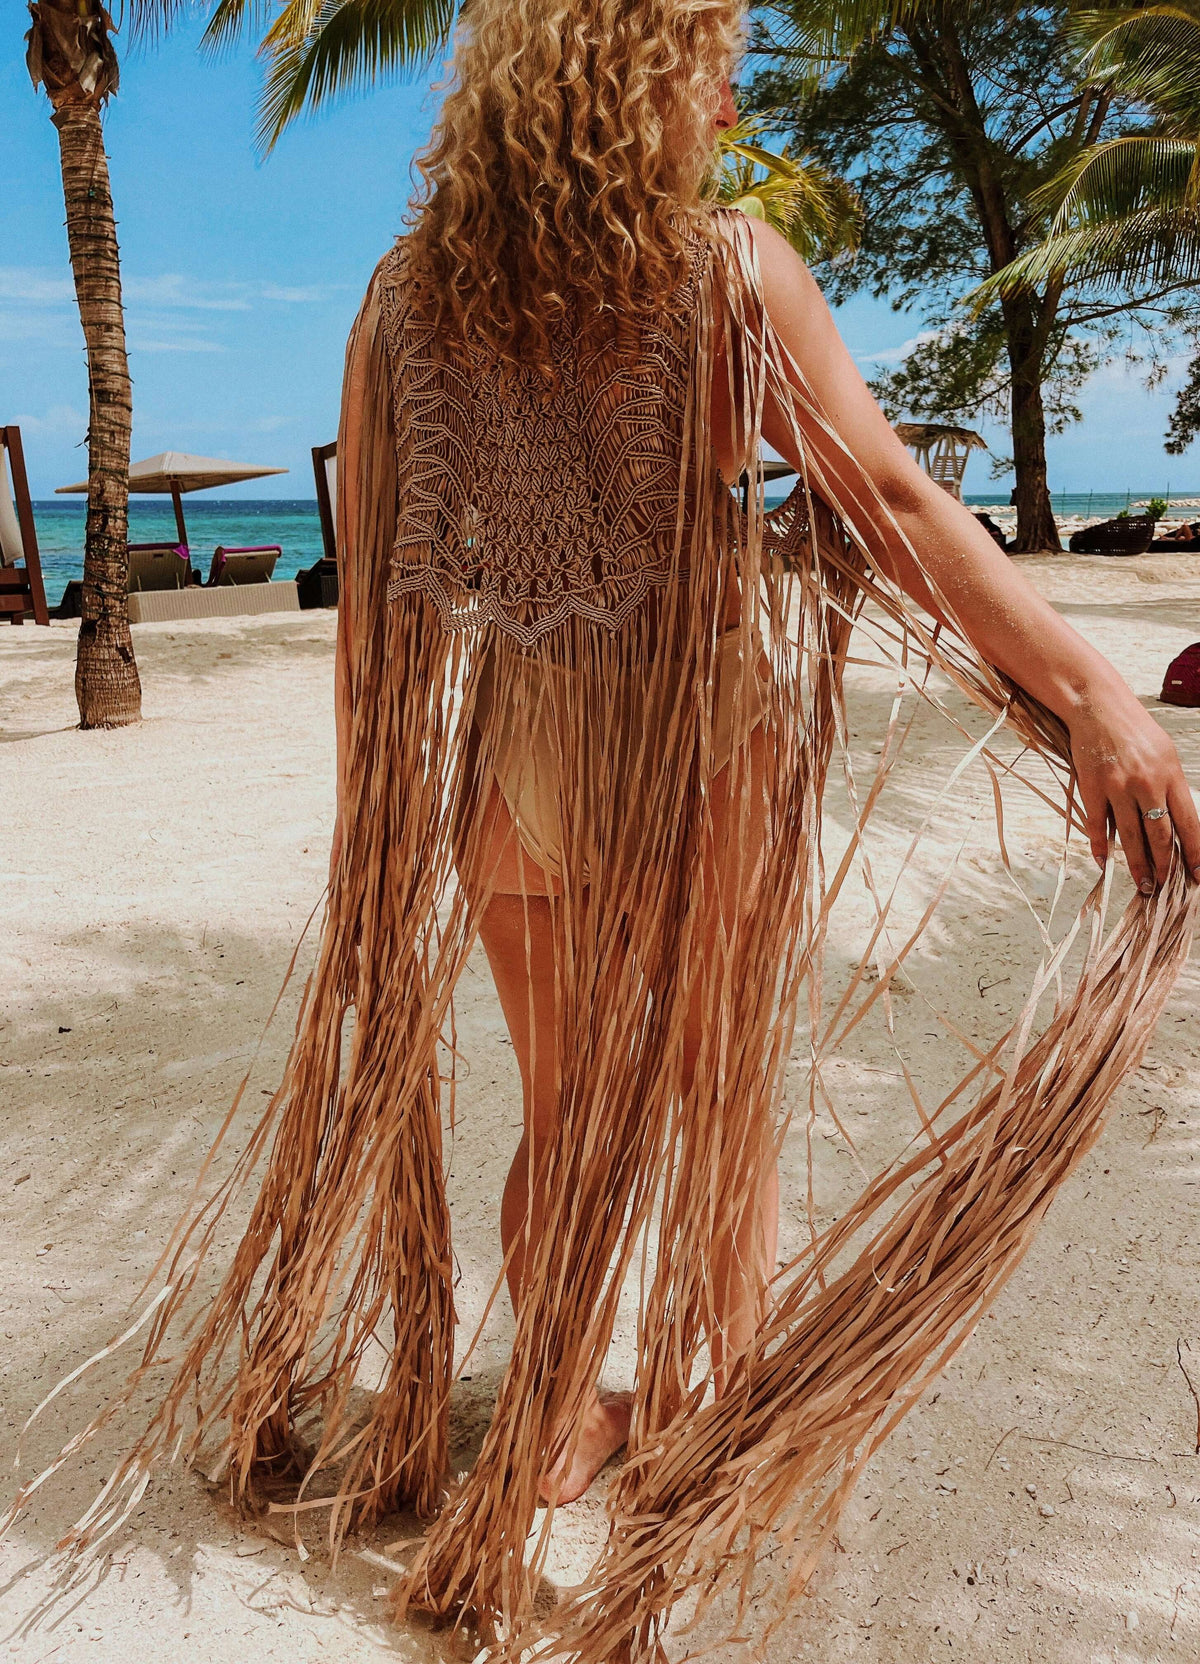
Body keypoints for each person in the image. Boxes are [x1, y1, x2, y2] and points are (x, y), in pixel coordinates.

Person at [16, 2, 1197, 1655]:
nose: (731, 85)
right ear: (641, 76)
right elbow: (895, 498)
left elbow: (378, 601)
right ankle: (719, 1408)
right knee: (716, 1100)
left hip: (514, 736)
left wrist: (383, 821)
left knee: (566, 1114)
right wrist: (1090, 693)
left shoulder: (404, 298)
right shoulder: (730, 269)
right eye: (712, 55)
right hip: (699, 716)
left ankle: (562, 1412)